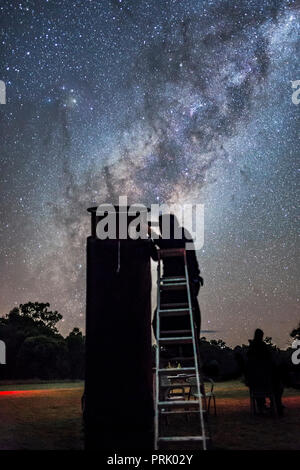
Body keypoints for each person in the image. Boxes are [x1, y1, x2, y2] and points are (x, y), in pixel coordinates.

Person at [149, 213, 203, 361]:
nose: (161, 230)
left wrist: (151, 233)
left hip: (184, 286)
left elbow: (170, 243)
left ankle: (188, 354)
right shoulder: (167, 239)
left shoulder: (182, 234)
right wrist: (148, 241)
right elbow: (156, 255)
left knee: (188, 322)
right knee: (157, 322)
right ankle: (168, 349)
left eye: (162, 227)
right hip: (169, 287)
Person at [246, 329, 284, 415]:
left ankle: (262, 407)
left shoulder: (251, 351)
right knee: (278, 387)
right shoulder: (263, 349)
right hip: (266, 384)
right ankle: (276, 406)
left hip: (255, 384)